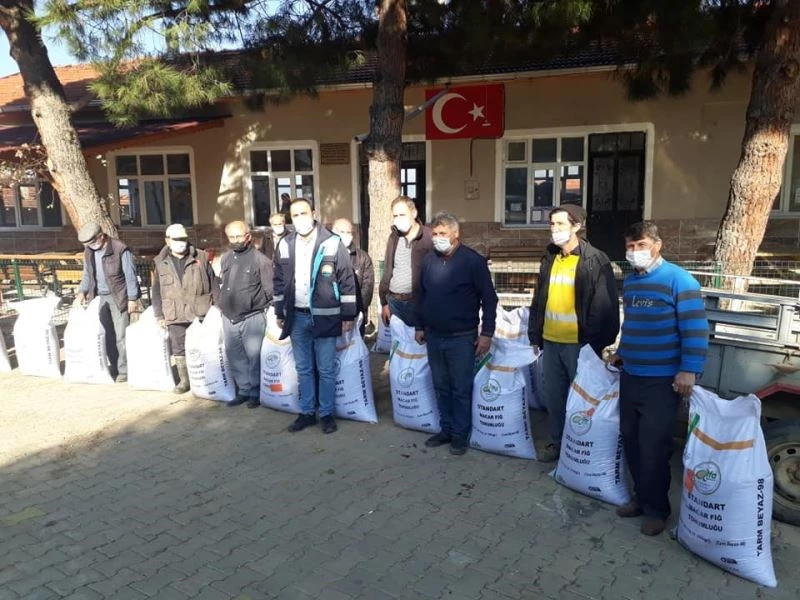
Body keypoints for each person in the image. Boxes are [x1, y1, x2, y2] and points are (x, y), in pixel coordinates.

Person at [609, 221, 708, 537]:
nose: (634, 251)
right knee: (631, 439)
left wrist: (689, 369)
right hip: (631, 375)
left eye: (640, 245)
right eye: (630, 246)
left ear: (657, 245)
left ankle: (656, 510)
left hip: (662, 381)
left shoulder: (680, 280)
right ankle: (640, 497)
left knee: (654, 446)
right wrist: (622, 351)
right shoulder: (632, 282)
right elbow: (633, 323)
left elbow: (695, 327)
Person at [527, 204, 619, 462]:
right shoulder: (550, 256)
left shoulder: (595, 260)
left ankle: (580, 449)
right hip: (551, 342)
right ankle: (557, 443)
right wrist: (535, 334)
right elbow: (539, 298)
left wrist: (595, 344)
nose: (554, 229)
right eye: (552, 224)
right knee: (554, 399)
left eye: (560, 224)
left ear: (577, 226)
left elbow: (605, 306)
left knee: (582, 400)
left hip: (580, 346)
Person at [415, 211, 498, 456]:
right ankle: (446, 429)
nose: (437, 237)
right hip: (434, 336)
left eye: (443, 233)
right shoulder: (429, 261)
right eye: (435, 233)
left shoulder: (473, 261)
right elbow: (421, 295)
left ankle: (460, 434)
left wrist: (487, 333)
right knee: (441, 386)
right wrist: (419, 326)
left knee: (460, 388)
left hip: (462, 337)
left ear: (456, 233)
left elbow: (489, 299)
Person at [273, 199, 357, 434]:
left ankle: (326, 414)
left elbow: (346, 280)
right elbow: (278, 280)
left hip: (325, 317)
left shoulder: (331, 242)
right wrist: (280, 310)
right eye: (295, 215)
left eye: (304, 213)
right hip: (297, 317)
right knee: (304, 368)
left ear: (313, 213)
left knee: (326, 369)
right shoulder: (285, 244)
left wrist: (348, 314)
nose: (300, 218)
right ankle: (307, 412)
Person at [151, 224, 220, 394]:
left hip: (200, 310)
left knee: (203, 346)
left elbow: (213, 283)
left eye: (183, 239)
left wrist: (218, 307)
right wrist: (159, 315)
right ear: (168, 241)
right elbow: (156, 290)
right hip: (174, 312)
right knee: (179, 347)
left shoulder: (201, 256)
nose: (181, 243)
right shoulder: (160, 262)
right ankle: (184, 380)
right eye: (176, 239)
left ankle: (206, 378)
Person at [74, 222, 141, 383]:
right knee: (107, 335)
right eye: (87, 244)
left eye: (92, 242)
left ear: (101, 236)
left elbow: (130, 275)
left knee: (121, 335)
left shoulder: (120, 249)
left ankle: (124, 370)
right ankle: (115, 366)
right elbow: (87, 274)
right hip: (99, 297)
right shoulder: (89, 251)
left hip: (118, 296)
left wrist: (132, 298)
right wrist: (82, 292)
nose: (90, 246)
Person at [218, 221, 274, 408]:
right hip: (229, 316)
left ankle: (256, 392)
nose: (235, 240)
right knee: (235, 355)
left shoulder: (261, 261)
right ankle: (243, 390)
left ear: (248, 237)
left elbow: (270, 290)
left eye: (239, 236)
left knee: (254, 356)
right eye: (231, 237)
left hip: (252, 316)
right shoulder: (226, 258)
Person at [379, 195, 433, 328]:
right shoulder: (394, 237)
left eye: (402, 214)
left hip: (418, 304)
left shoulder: (428, 237)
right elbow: (388, 270)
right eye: (395, 216)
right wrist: (384, 302)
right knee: (398, 341)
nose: (398, 219)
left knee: (419, 341)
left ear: (414, 213)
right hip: (394, 303)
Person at [331, 217, 374, 335]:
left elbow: (367, 287)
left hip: (355, 316)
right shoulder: (326, 255)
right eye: (341, 232)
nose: (345, 235)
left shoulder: (362, 258)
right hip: (332, 315)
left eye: (348, 232)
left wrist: (357, 311)